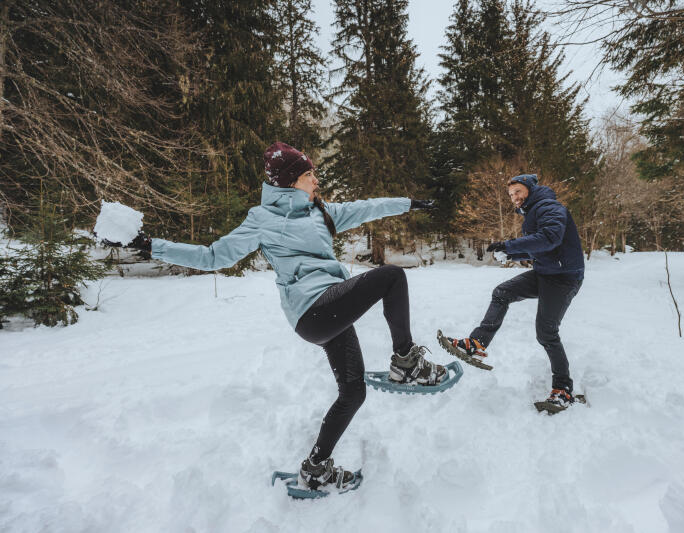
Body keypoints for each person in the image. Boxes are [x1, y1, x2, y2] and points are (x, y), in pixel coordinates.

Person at [116, 142, 447, 491]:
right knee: (392, 277)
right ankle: (407, 363)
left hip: (330, 311)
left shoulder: (320, 212)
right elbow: (213, 256)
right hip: (313, 309)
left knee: (354, 392)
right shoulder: (263, 219)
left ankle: (315, 469)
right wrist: (152, 245)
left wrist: (408, 203)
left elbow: (367, 208)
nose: (315, 180)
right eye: (308, 175)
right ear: (289, 181)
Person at [441, 174, 584, 409]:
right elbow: (540, 249)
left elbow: (549, 238)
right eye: (510, 194)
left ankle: (563, 390)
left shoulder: (549, 206)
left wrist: (509, 245)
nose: (514, 197)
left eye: (517, 191)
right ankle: (477, 343)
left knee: (546, 333)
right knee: (502, 292)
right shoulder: (533, 211)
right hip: (546, 272)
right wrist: (511, 254)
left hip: (563, 278)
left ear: (530, 189)